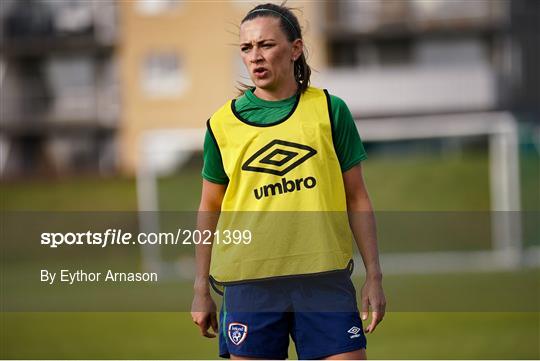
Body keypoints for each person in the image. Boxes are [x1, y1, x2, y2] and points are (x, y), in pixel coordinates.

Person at [191, 3, 386, 359]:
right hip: (249, 283)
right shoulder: (221, 124)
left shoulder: (330, 110)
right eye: (247, 48)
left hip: (324, 279)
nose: (255, 57)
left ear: (295, 48)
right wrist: (200, 287)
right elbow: (210, 206)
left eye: (266, 45)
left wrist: (374, 275)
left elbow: (357, 197)